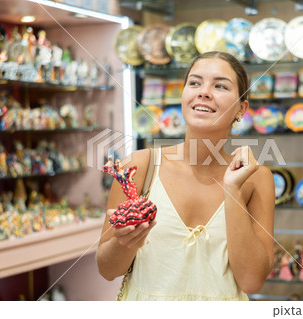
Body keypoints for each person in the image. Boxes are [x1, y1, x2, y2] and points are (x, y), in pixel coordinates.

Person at [96, 51, 275, 300]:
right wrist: (124, 242)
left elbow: (252, 280)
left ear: (241, 108)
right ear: (184, 96)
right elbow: (106, 269)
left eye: (220, 85)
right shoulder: (139, 167)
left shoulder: (255, 178)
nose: (204, 92)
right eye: (194, 82)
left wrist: (232, 189)